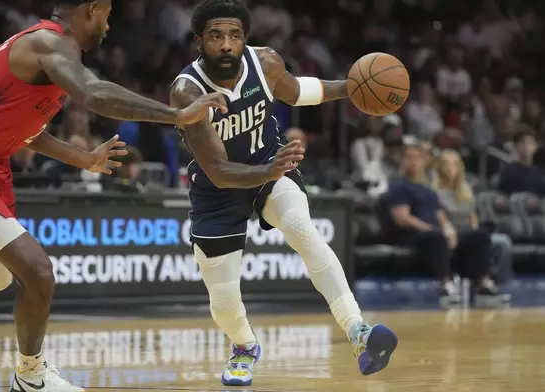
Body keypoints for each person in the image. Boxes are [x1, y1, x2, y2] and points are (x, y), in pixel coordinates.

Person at [0, 1, 226, 392]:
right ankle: (30, 375)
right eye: (107, 15)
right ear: (92, 9)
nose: (108, 26)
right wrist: (176, 114)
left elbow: (29, 131)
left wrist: (84, 158)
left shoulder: (52, 56)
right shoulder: (46, 43)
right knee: (37, 272)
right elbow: (93, 93)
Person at [169, 0, 397, 386]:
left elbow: (297, 92)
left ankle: (358, 332)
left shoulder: (267, 62)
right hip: (218, 188)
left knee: (301, 227)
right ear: (198, 42)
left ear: (245, 39)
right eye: (216, 36)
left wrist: (356, 89)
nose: (226, 44)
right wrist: (270, 169)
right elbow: (220, 172)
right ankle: (244, 346)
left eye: (235, 35)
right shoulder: (187, 90)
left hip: (269, 164)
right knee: (223, 301)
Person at [385, 144, 503, 305]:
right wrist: (432, 229)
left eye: (417, 158)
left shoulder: (427, 189)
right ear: (403, 161)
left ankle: (483, 284)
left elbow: (439, 214)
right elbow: (402, 218)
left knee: (480, 236)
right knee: (437, 237)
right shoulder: (399, 186)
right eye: (409, 157)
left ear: (424, 161)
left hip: (435, 234)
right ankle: (446, 285)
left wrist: (448, 229)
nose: (414, 161)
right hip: (411, 235)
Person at [432, 150, 513, 293]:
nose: (450, 168)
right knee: (483, 238)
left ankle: (497, 284)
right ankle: (481, 280)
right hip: (450, 235)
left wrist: (474, 230)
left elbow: (473, 215)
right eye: (446, 164)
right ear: (439, 167)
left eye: (454, 164)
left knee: (503, 242)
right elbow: (439, 216)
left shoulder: (465, 189)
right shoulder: (434, 190)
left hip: (469, 233)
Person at [498, 128, 545, 196]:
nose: (526, 146)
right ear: (516, 146)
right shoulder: (509, 172)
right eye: (522, 142)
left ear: (535, 146)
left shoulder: (539, 174)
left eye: (530, 143)